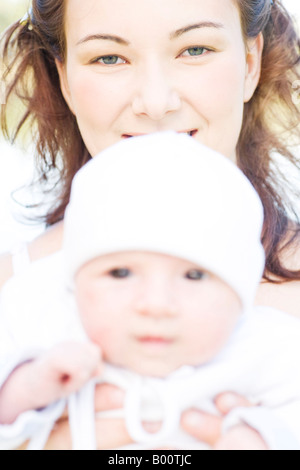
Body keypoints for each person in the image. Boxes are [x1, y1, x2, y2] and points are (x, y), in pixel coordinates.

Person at [0, 0, 299, 449]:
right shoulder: (16, 298)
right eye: (109, 58)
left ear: (250, 63)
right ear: (65, 78)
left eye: (195, 49)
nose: (157, 104)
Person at [1, 132, 300, 450]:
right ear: (75, 285)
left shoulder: (267, 349)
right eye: (121, 273)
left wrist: (265, 439)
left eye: (194, 275)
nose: (156, 305)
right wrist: (23, 393)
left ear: (240, 294)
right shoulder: (47, 329)